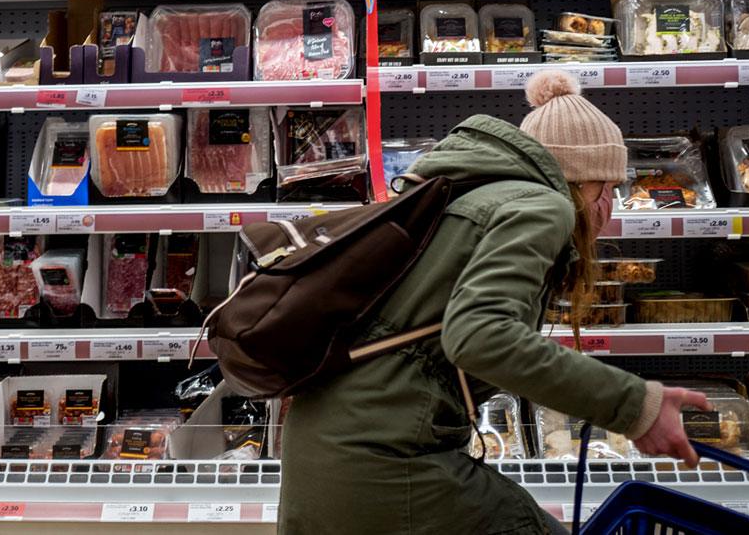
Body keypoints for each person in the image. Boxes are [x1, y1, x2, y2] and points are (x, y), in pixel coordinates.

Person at [277, 70, 711, 535]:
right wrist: (636, 406)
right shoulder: (544, 206)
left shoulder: (465, 194)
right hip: (380, 459)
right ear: (587, 182)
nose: (610, 206)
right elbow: (481, 337)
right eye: (609, 188)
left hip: (327, 450)